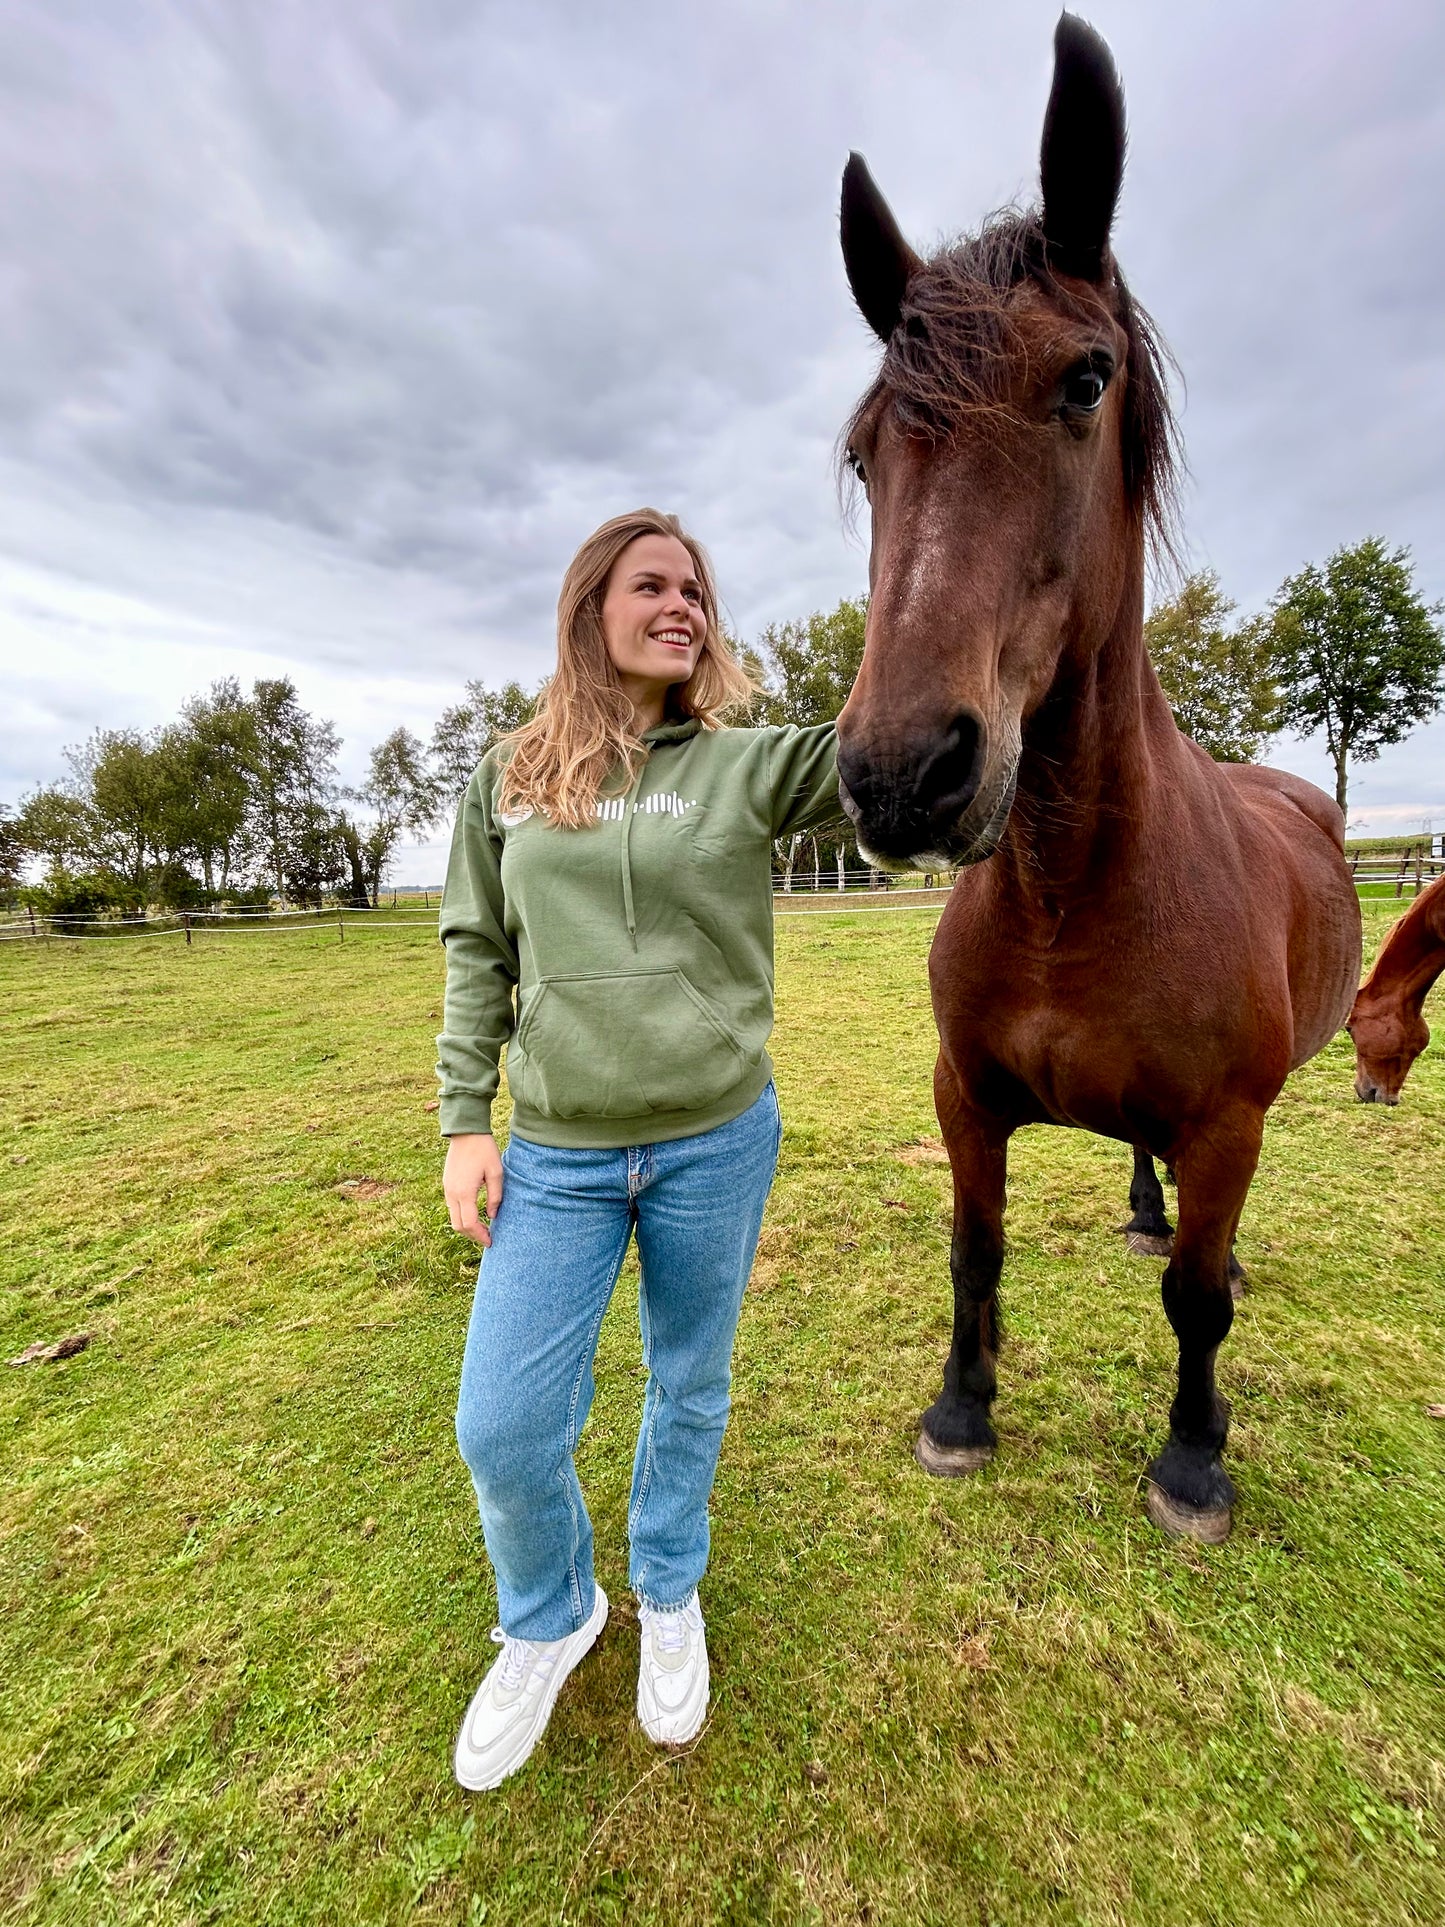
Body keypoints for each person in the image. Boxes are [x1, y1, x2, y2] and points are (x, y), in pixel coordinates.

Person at [437, 507, 839, 1791]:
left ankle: (669, 1587)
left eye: (695, 591)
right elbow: (476, 953)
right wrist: (462, 1120)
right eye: (650, 585)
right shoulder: (506, 774)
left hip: (714, 1138)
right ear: (588, 608)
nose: (680, 606)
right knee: (501, 1424)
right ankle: (551, 1616)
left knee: (689, 1379)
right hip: (553, 1153)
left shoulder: (746, 763)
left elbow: (894, 751)